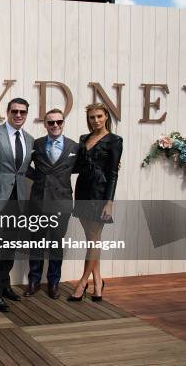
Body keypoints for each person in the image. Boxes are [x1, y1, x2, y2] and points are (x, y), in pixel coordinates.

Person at [0, 97, 34, 312]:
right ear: (8, 112)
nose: (18, 115)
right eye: (15, 111)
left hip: (18, 201)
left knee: (9, 248)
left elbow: (23, 171)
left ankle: (4, 285)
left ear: (26, 114)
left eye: (22, 111)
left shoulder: (30, 139)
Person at [68, 103, 122, 302]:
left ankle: (83, 282)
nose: (96, 120)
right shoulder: (84, 139)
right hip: (82, 190)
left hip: (100, 193)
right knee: (92, 239)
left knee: (93, 239)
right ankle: (98, 280)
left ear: (106, 116)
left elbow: (113, 173)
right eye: (92, 117)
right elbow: (77, 167)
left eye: (99, 116)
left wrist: (109, 201)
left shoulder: (115, 140)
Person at [24, 108, 79, 299]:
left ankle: (54, 282)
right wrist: (39, 177)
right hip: (38, 201)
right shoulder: (36, 144)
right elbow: (23, 166)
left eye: (59, 122)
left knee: (56, 243)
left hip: (62, 202)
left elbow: (81, 168)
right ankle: (34, 281)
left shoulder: (74, 147)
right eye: (51, 122)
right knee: (36, 242)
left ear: (63, 123)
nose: (55, 125)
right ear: (45, 124)